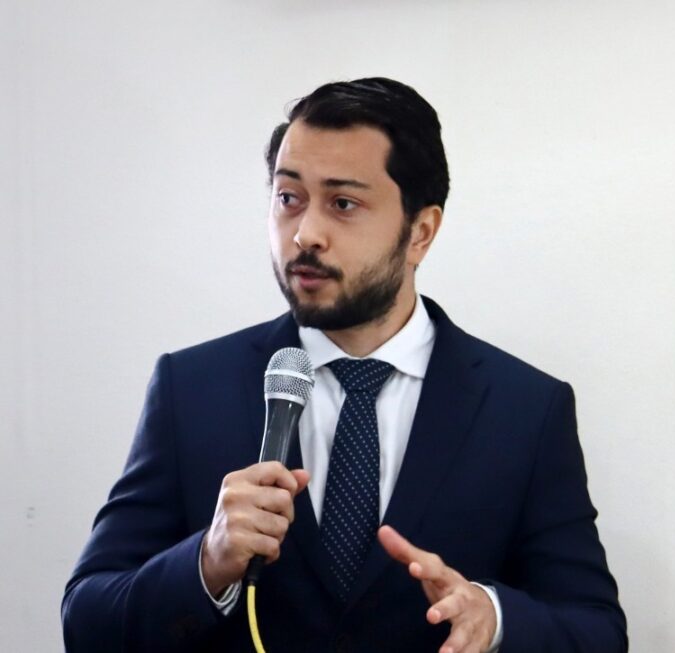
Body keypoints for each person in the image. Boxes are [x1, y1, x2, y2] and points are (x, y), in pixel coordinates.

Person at [62, 77, 627, 653]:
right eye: (289, 198)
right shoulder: (191, 389)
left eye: (343, 204)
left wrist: (496, 618)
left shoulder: (525, 409)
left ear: (421, 232)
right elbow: (86, 622)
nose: (305, 234)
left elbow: (598, 631)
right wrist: (207, 563)